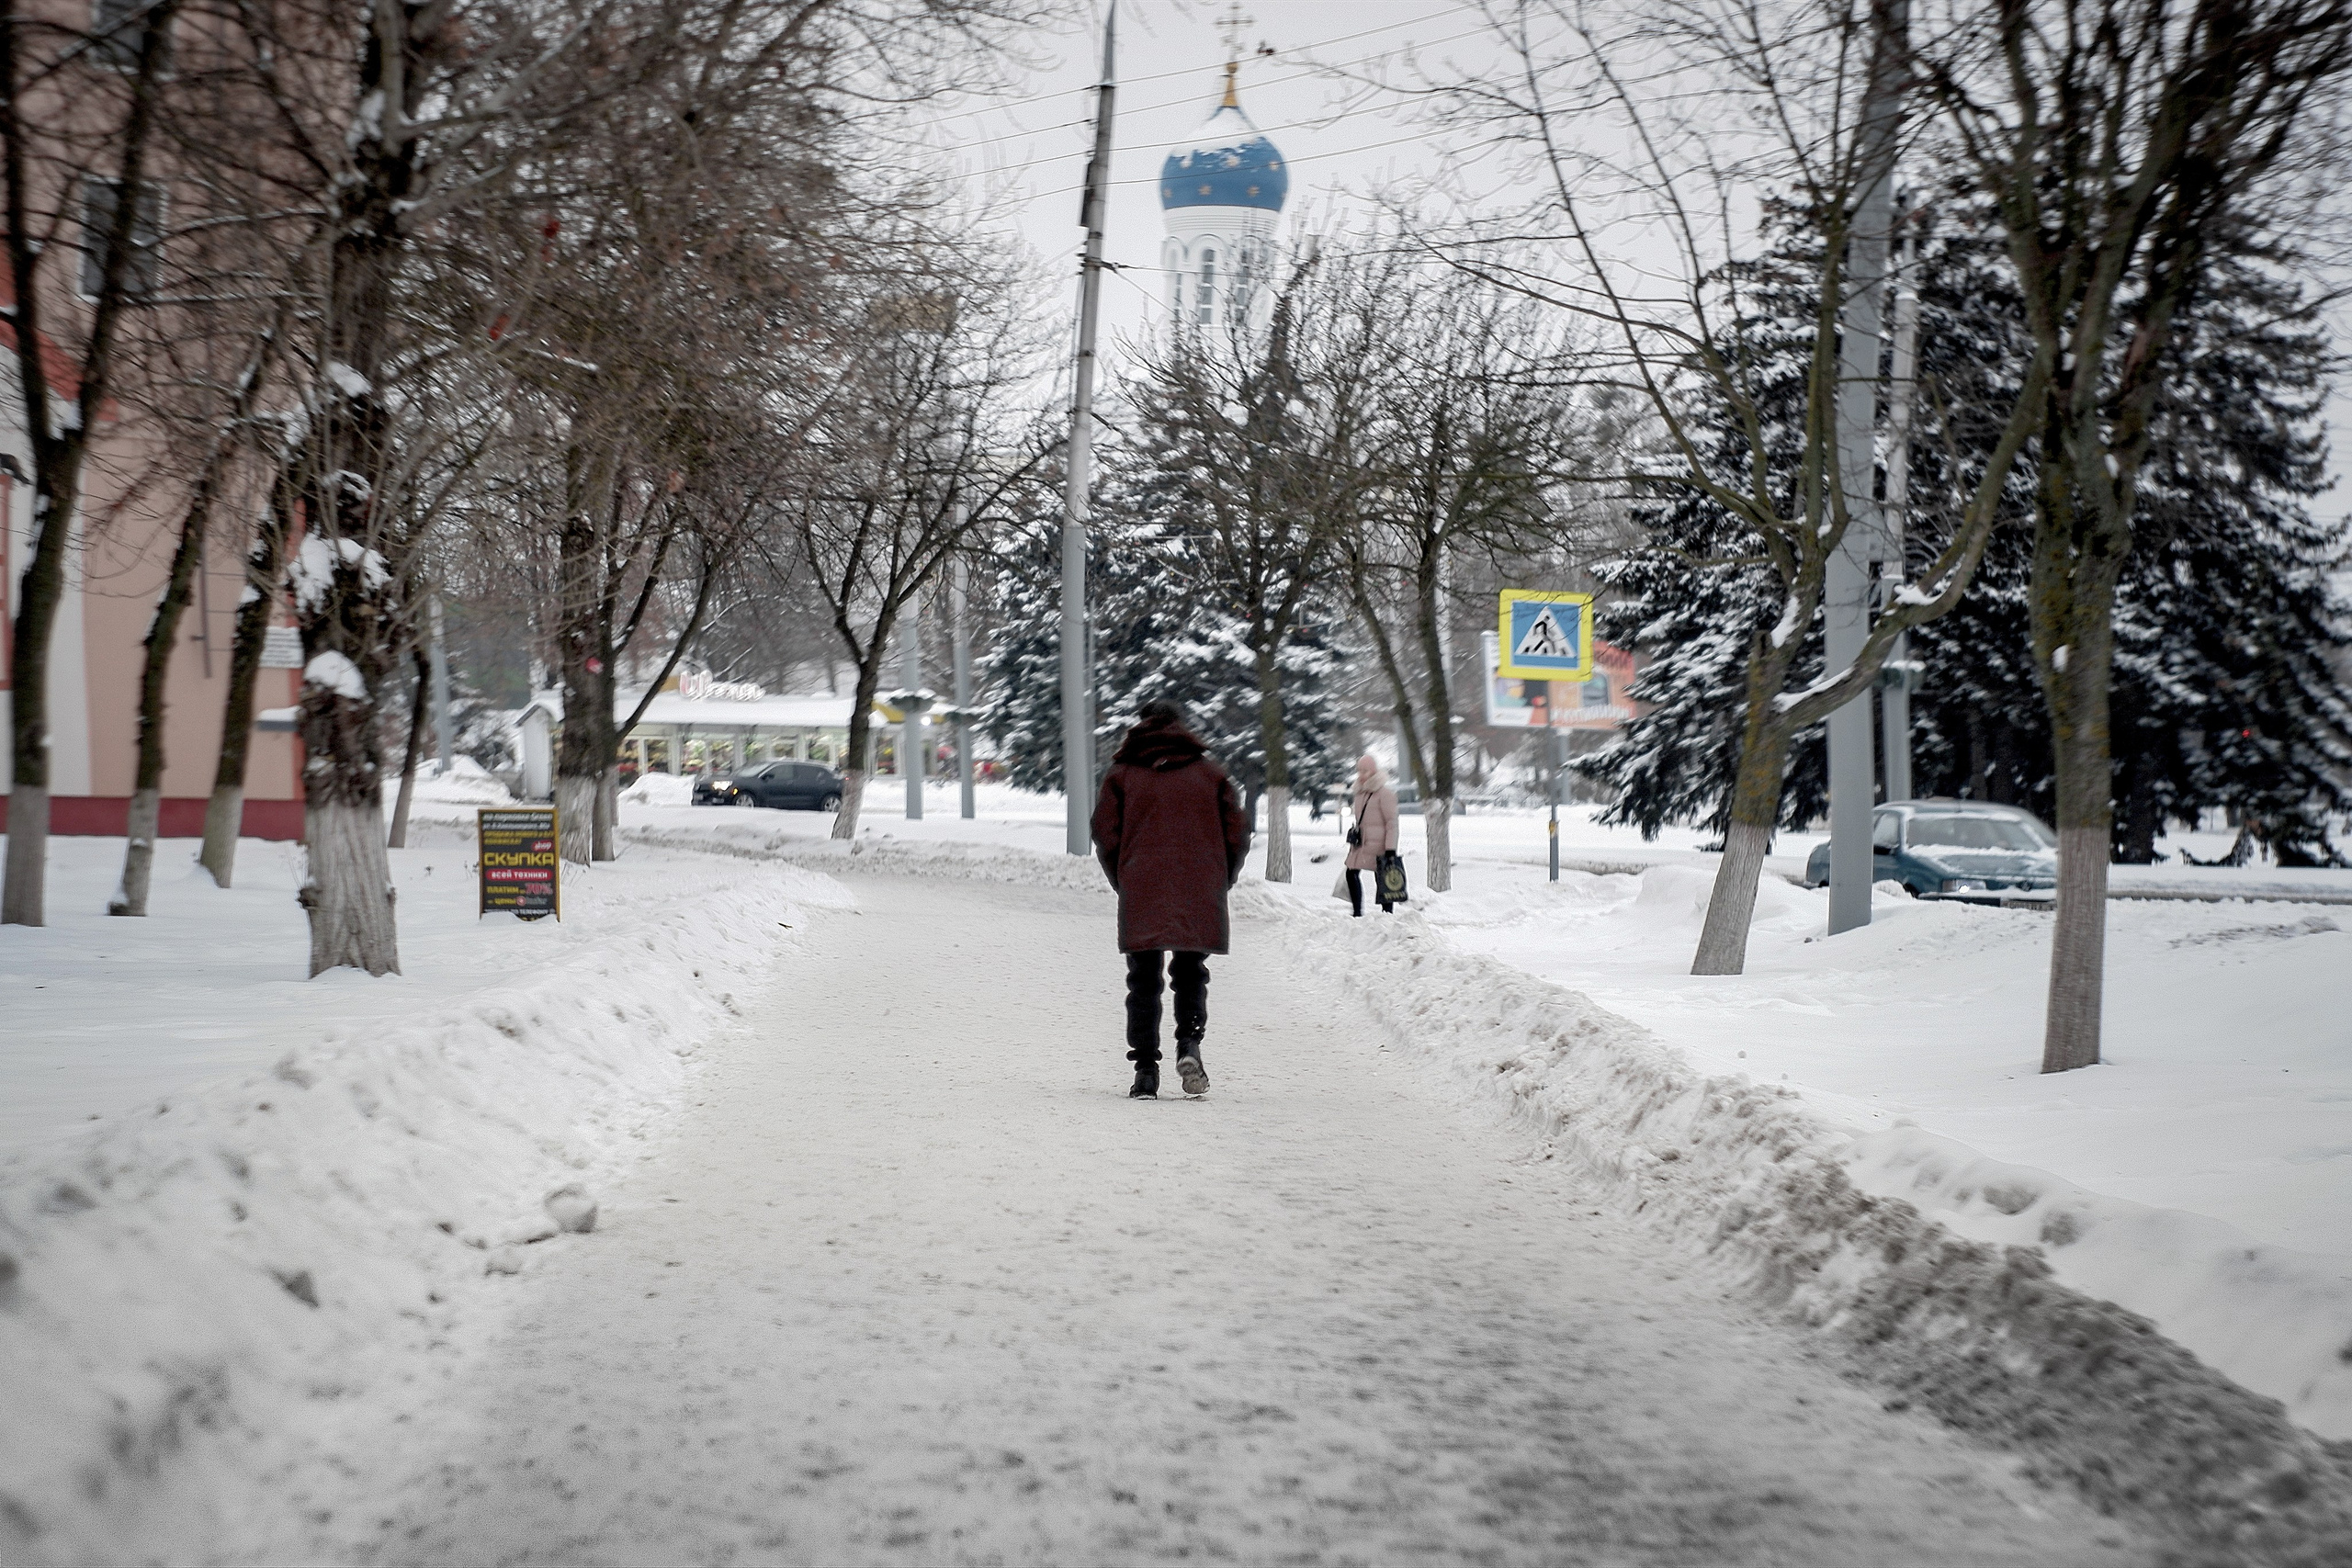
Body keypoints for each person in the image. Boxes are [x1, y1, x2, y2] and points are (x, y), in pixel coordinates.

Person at [1090, 702, 1251, 1100]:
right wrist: (1220, 877)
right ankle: (1189, 1045)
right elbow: (1238, 832)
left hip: (1143, 882)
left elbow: (1104, 833)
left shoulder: (1123, 775)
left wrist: (1123, 877)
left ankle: (1146, 1071)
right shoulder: (1210, 774)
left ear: (1139, 726)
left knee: (1143, 978)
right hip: (1199, 884)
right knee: (1191, 971)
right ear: (1180, 727)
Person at [1344, 753, 1400, 916]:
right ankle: (1357, 912)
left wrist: (1391, 848)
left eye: (1365, 771)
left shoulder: (1385, 794)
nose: (1362, 774)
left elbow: (1392, 823)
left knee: (1383, 878)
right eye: (1359, 771)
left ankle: (1387, 914)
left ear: (1374, 771)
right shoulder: (1359, 794)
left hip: (1380, 844)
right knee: (1351, 872)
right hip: (1362, 843)